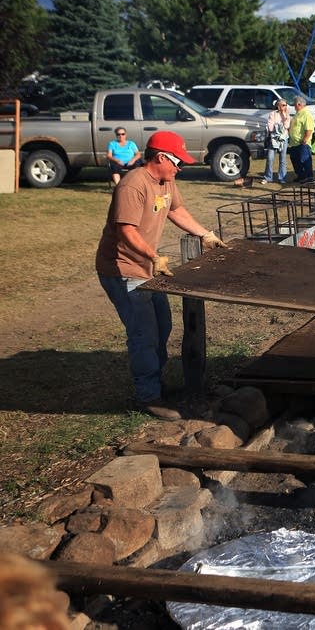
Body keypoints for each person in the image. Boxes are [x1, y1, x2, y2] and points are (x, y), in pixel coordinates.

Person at [95, 131, 229, 418]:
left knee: (163, 326)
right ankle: (148, 397)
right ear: (161, 158)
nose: (180, 169)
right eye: (178, 162)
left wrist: (205, 234)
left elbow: (176, 210)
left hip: (146, 268)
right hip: (123, 269)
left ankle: (156, 383)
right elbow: (126, 230)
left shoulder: (167, 181)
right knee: (144, 333)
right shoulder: (132, 185)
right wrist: (153, 256)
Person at [262, 99, 290, 185]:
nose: (283, 107)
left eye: (285, 105)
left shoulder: (287, 115)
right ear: (278, 106)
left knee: (283, 159)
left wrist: (285, 116)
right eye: (281, 105)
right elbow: (270, 127)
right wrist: (278, 127)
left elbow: (286, 126)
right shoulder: (273, 114)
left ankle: (282, 178)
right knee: (270, 158)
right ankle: (268, 177)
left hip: (283, 139)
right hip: (273, 138)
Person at [288, 96, 315, 182]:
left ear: (299, 104)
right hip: (294, 143)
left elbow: (309, 129)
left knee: (304, 160)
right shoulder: (298, 113)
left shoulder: (306, 114)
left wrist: (305, 139)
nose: (293, 106)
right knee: (295, 160)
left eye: (294, 104)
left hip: (302, 143)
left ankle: (308, 177)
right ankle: (301, 176)